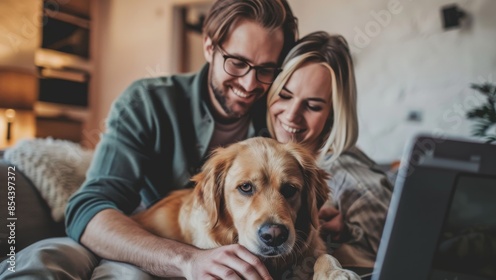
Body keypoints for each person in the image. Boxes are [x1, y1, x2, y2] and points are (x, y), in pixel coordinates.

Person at [0, 1, 297, 279]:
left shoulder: (279, 119)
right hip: (133, 234)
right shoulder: (147, 102)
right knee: (43, 259)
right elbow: (88, 206)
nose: (249, 83)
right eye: (237, 62)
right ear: (209, 46)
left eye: (266, 69)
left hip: (208, 253)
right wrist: (188, 260)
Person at [266, 31, 393, 275]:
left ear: (333, 114)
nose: (291, 114)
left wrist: (328, 235)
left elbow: (398, 254)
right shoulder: (265, 152)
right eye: (284, 95)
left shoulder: (348, 176)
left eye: (313, 105)